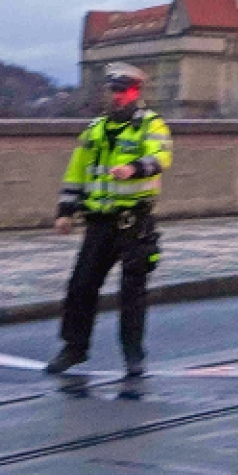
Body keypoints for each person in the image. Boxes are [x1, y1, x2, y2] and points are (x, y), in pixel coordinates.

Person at [45, 63, 173, 378]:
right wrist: (65, 212)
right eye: (113, 91)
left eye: (123, 91)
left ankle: (133, 355)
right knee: (81, 286)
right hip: (99, 222)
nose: (117, 96)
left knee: (132, 293)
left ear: (136, 92)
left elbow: (161, 157)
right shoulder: (95, 129)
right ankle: (74, 349)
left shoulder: (151, 125)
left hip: (134, 221)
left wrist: (134, 168)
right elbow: (76, 173)